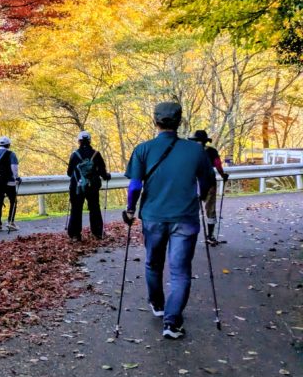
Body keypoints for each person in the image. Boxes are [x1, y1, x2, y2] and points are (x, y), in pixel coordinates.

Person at [123, 102, 214, 339]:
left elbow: (135, 185)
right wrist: (199, 197)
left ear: (155, 121)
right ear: (180, 121)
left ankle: (158, 305)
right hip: (185, 217)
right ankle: (172, 322)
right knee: (180, 272)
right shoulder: (196, 151)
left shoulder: (143, 149)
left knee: (153, 263)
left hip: (153, 216)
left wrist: (130, 209)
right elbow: (206, 182)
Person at [66, 130, 111, 240]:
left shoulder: (74, 155)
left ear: (79, 141)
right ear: (90, 141)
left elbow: (69, 173)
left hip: (77, 187)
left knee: (76, 209)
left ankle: (75, 235)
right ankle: (97, 233)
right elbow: (102, 172)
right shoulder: (96, 154)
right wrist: (107, 176)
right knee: (94, 208)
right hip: (92, 187)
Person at [190, 129, 230, 245]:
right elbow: (218, 164)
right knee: (210, 209)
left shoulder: (191, 151)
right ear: (205, 141)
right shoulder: (212, 151)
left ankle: (190, 235)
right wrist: (223, 175)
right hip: (209, 182)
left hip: (195, 183)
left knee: (192, 209)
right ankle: (210, 236)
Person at [0, 137, 20, 232]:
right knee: (13, 201)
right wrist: (16, 177)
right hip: (9, 182)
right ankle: (10, 222)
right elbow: (14, 167)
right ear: (9, 145)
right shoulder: (11, 154)